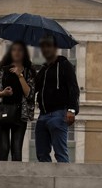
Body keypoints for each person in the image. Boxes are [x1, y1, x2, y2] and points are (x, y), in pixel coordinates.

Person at [34, 35, 79, 163]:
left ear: (55, 48)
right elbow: (33, 89)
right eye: (43, 47)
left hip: (59, 113)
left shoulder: (65, 65)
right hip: (43, 115)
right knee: (41, 153)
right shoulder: (43, 69)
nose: (46, 50)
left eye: (49, 46)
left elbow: (73, 88)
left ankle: (65, 181)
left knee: (60, 153)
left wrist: (72, 110)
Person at [0, 41, 35, 161]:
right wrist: (3, 93)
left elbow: (29, 94)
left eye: (20, 50)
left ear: (24, 53)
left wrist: (20, 75)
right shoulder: (1, 71)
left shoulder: (28, 72)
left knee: (17, 150)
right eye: (14, 49)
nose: (17, 52)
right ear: (10, 52)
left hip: (20, 114)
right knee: (4, 148)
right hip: (2, 112)